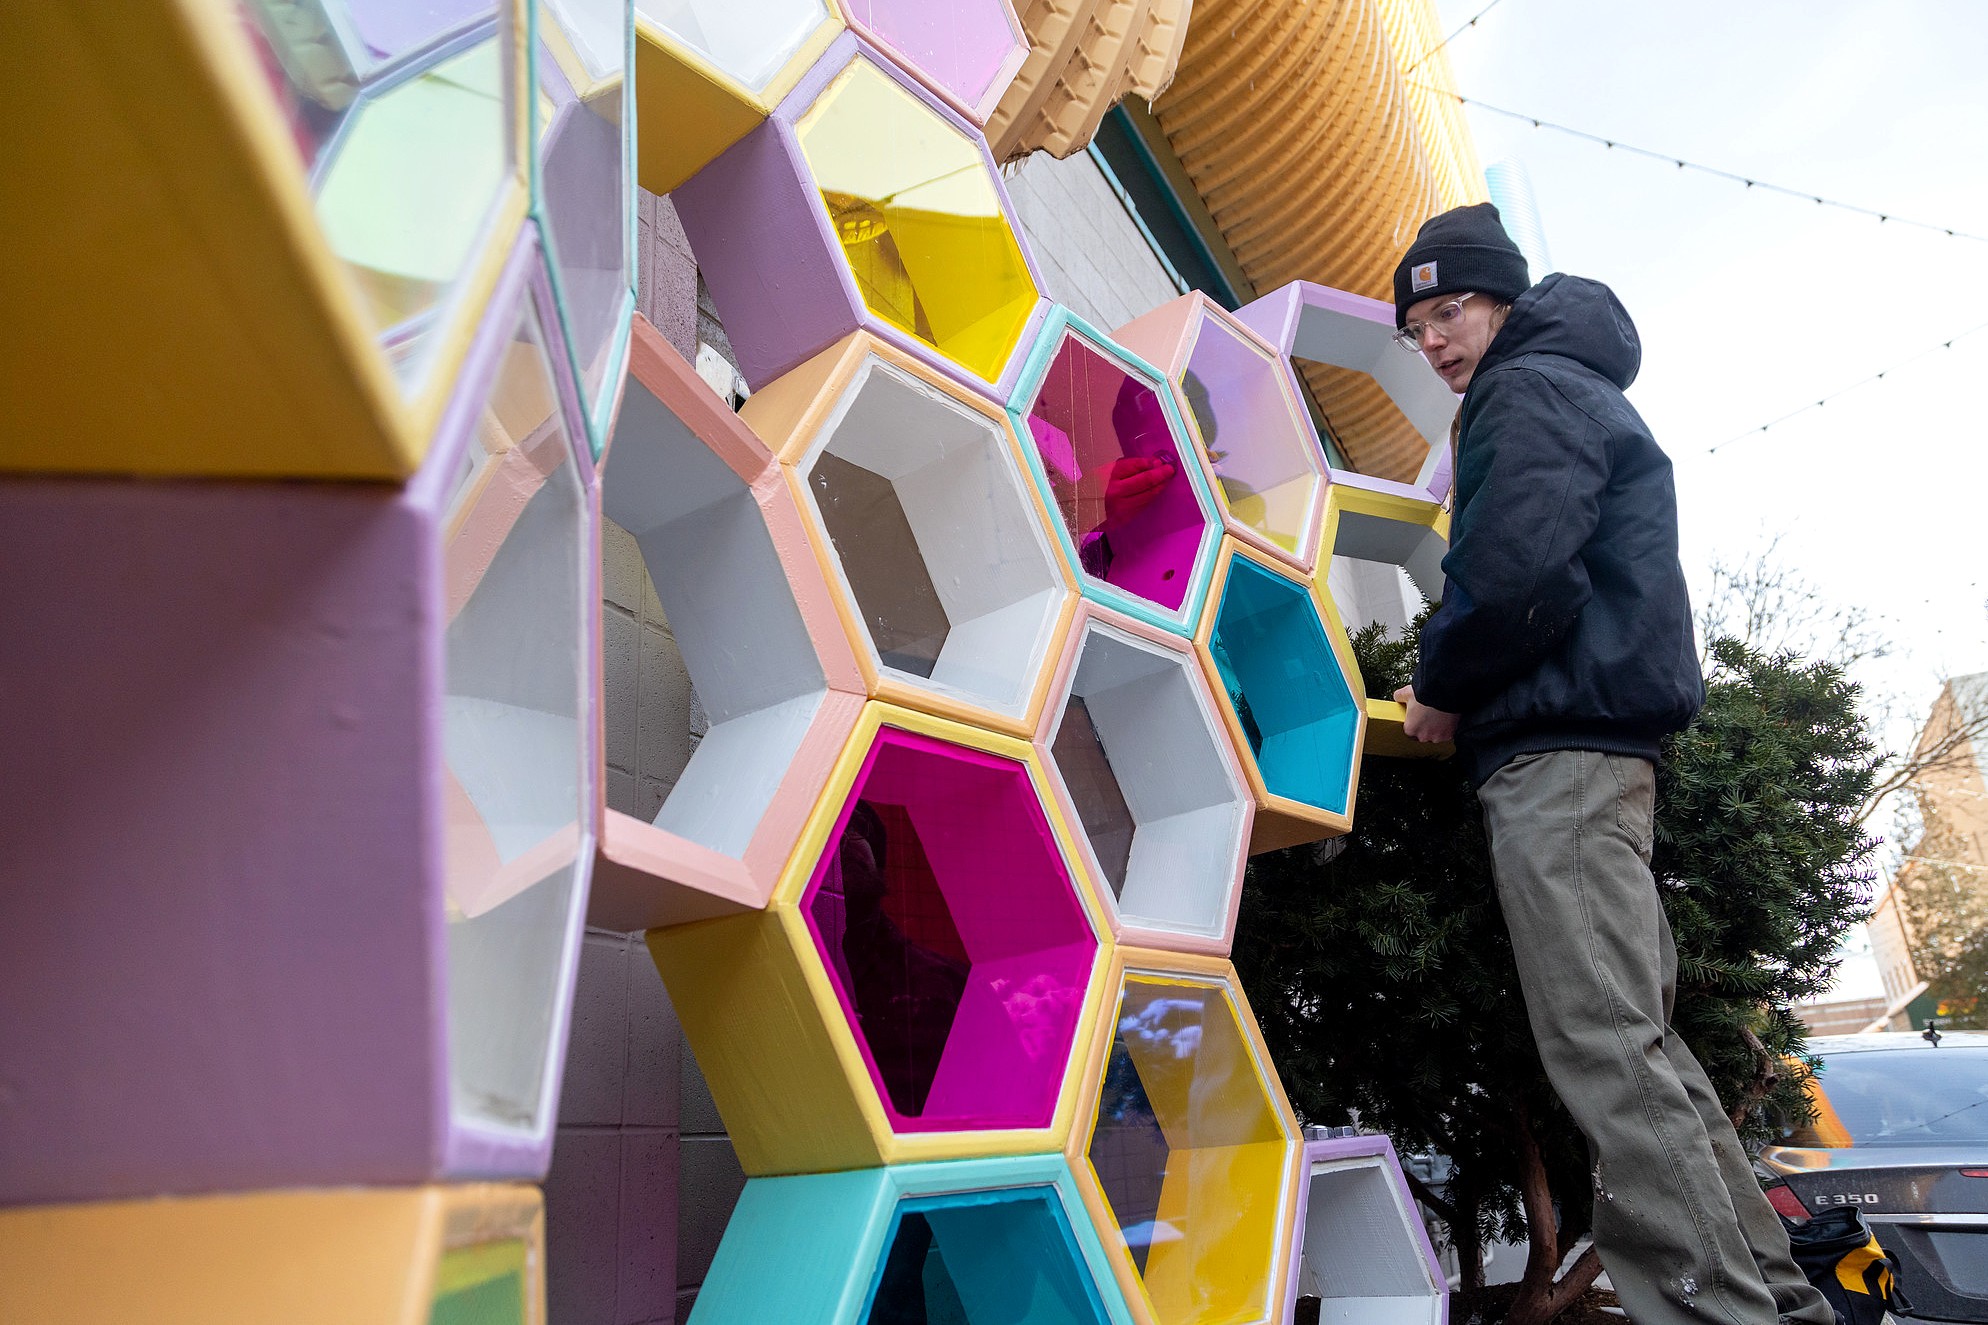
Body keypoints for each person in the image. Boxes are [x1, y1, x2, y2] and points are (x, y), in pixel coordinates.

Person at [1390, 203, 1834, 1325]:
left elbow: (1516, 567)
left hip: (1558, 758)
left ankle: (1719, 1313)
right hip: (1593, 752)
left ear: (1502, 300)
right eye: (1416, 327)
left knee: (1604, 1048)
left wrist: (1441, 685)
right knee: (1640, 1049)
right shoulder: (1570, 383)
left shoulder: (1524, 387)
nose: (1434, 340)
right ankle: (1775, 1306)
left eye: (1448, 310)